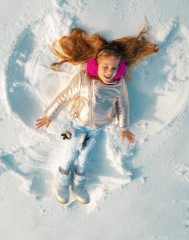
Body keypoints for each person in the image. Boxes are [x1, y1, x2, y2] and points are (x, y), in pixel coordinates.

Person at [35, 27, 158, 204]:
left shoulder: (118, 84)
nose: (110, 72)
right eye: (106, 67)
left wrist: (124, 127)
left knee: (84, 157)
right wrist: (49, 115)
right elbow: (65, 96)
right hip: (76, 124)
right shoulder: (84, 80)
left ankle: (78, 184)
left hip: (98, 129)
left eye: (114, 68)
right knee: (72, 151)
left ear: (120, 69)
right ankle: (61, 180)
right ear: (96, 66)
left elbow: (123, 105)